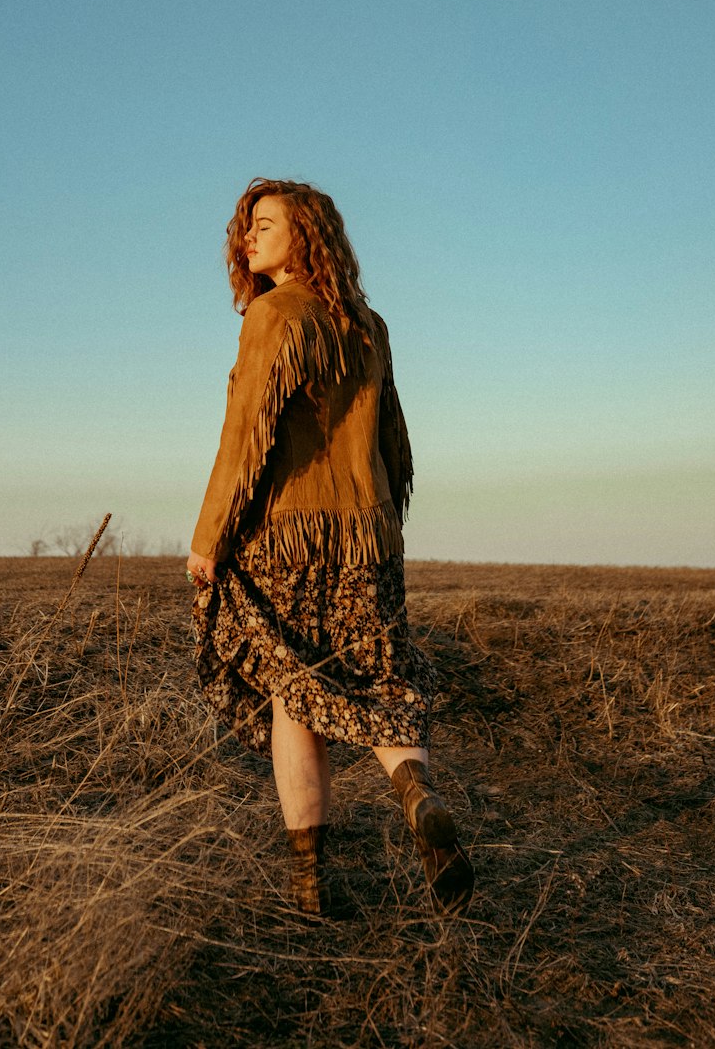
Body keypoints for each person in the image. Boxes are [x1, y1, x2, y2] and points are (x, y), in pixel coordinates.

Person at [186, 177, 474, 917]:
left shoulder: (273, 316)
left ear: (306, 234)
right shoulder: (368, 324)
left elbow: (243, 438)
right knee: (380, 679)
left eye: (267, 224)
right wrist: (380, 521)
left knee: (296, 696)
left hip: (287, 540)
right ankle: (416, 790)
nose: (250, 237)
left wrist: (208, 539)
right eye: (246, 226)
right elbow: (396, 446)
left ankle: (310, 888)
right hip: (368, 540)